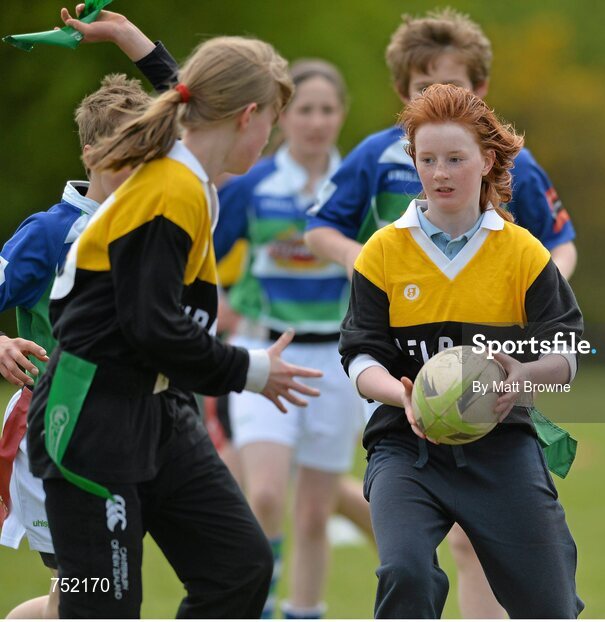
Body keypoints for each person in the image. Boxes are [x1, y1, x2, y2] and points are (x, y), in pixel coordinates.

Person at [23, 35, 322, 618]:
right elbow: (151, 326)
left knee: (238, 568)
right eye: (273, 122)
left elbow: (185, 91)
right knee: (99, 604)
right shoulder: (169, 190)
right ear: (248, 117)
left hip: (161, 410)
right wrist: (251, 370)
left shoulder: (188, 165)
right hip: (91, 415)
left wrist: (130, 38)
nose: (271, 141)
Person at [304, 8, 576, 617]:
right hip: (406, 447)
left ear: (486, 162)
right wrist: (399, 395)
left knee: (551, 605)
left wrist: (519, 378)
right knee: (406, 574)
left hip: (502, 446)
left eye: (454, 159)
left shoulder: (523, 253)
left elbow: (571, 352)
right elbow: (360, 354)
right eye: (427, 160)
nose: (439, 174)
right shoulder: (382, 251)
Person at [213, 58, 370, 619]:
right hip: (263, 354)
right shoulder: (254, 184)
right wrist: (223, 300)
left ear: (342, 114)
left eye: (328, 110)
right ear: (282, 116)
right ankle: (254, 606)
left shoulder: (356, 182)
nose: (317, 121)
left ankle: (304, 613)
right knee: (265, 495)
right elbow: (200, 253)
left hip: (337, 362)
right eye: (305, 109)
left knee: (313, 514)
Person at [0, 73, 153, 620]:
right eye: (123, 152)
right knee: (88, 586)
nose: (137, 165)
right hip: (51, 431)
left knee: (84, 591)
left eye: (146, 150)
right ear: (91, 154)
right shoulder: (47, 232)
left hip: (124, 429)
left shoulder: (151, 228)